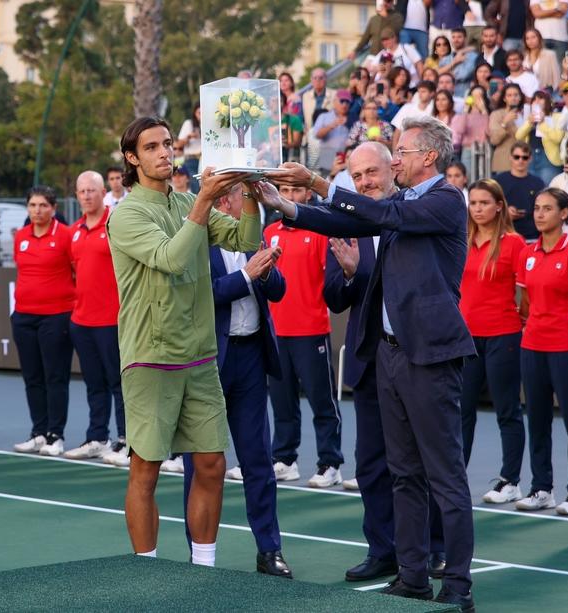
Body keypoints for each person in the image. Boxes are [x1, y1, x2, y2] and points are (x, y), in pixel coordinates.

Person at [253, 115, 476, 608]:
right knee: (403, 474)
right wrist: (287, 205)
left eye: (401, 151)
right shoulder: (400, 201)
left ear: (429, 157)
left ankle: (457, 586)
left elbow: (376, 216)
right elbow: (348, 220)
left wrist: (315, 181)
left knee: (445, 476)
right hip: (391, 357)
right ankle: (413, 576)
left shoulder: (445, 200)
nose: (395, 159)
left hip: (431, 355)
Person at [107, 117, 261, 567]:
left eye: (168, 144)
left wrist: (251, 188)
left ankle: (203, 569)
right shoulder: (128, 214)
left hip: (199, 357)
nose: (164, 153)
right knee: (146, 471)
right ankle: (148, 570)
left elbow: (246, 237)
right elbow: (172, 259)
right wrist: (207, 200)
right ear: (132, 158)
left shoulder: (189, 200)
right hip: (150, 359)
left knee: (212, 465)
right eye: (151, 146)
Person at [326, 142, 448, 582]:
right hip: (370, 360)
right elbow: (334, 299)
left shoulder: (416, 213)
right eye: (356, 178)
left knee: (423, 459)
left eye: (371, 173)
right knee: (372, 464)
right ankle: (383, 549)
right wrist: (348, 273)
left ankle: (434, 548)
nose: (365, 183)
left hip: (415, 356)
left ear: (391, 169)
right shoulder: (348, 225)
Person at [181, 183, 290, 577]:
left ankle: (269, 549)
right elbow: (199, 295)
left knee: (258, 458)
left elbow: (278, 291)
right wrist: (247, 274)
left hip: (250, 358)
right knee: (202, 460)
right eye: (243, 197)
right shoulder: (195, 236)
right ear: (223, 200)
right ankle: (199, 553)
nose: (250, 204)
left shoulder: (253, 234)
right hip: (210, 360)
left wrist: (267, 269)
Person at [515, 187, 568, 516]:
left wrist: (560, 321)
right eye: (536, 208)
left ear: (564, 214)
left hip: (567, 347)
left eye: (548, 208)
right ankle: (541, 488)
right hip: (532, 346)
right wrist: (539, 321)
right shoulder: (527, 253)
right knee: (538, 420)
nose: (539, 214)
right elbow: (524, 303)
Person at [264, 183, 344, 487]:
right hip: (277, 332)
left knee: (322, 402)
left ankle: (330, 463)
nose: (290, 195)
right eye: (284, 189)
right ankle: (284, 459)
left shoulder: (321, 232)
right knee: (282, 403)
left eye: (296, 190)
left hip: (311, 332)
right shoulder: (269, 232)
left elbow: (332, 280)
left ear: (307, 195)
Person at [459, 179, 526, 506]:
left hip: (504, 334)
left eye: (484, 202)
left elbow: (527, 293)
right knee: (461, 412)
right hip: (466, 338)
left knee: (507, 411)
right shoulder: (461, 240)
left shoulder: (514, 244)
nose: (478, 209)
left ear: (499, 205)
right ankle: (455, 476)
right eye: (473, 203)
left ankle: (510, 480)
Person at [63, 171, 128, 466]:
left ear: (105, 192)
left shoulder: (117, 224)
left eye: (92, 190)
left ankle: (128, 442)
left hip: (113, 320)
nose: (87, 195)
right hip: (82, 321)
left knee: (120, 384)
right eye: (81, 191)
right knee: (94, 383)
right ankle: (97, 437)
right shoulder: (74, 230)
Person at [10, 185, 75, 457]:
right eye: (33, 205)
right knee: (32, 377)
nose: (37, 211)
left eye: (43, 206)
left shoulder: (66, 236)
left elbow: (78, 270)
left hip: (57, 316)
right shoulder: (21, 236)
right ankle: (38, 432)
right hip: (24, 316)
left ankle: (55, 435)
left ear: (54, 209)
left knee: (55, 376)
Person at [493, 141, 545, 241]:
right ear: (510, 157)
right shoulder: (498, 181)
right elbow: (490, 207)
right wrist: (506, 213)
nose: (520, 160)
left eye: (524, 157)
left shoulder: (538, 183)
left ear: (530, 159)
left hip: (532, 237)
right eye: (517, 157)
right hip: (504, 236)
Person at [516, 89, 565, 185]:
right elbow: (518, 136)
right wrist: (529, 122)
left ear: (548, 101)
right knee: (531, 189)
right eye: (534, 99)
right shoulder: (530, 118)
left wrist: (542, 123)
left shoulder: (558, 116)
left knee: (549, 189)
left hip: (548, 159)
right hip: (530, 157)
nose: (537, 101)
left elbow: (557, 138)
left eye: (541, 98)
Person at [451, 87, 490, 180]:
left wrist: (484, 111)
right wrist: (465, 110)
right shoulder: (463, 114)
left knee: (484, 178)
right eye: (474, 96)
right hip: (468, 149)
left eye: (479, 96)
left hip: (484, 149)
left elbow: (488, 131)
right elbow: (460, 130)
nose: (477, 99)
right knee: (468, 178)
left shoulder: (488, 114)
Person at [488, 82, 526, 173]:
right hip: (504, 162)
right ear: (504, 98)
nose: (513, 98)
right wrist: (504, 122)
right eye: (509, 95)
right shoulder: (497, 114)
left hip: (525, 161)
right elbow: (494, 140)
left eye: (516, 95)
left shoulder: (527, 114)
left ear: (520, 97)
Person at [522, 28, 561, 92]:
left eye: (533, 37)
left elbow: (556, 77)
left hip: (545, 92)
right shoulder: (524, 56)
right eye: (527, 38)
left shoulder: (550, 55)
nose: (530, 41)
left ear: (539, 38)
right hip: (527, 91)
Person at [176, 105, 202, 193]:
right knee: (194, 184)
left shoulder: (207, 125)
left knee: (205, 184)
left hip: (203, 158)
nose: (201, 115)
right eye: (199, 113)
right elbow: (178, 144)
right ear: (195, 113)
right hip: (191, 159)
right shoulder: (189, 124)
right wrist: (189, 136)